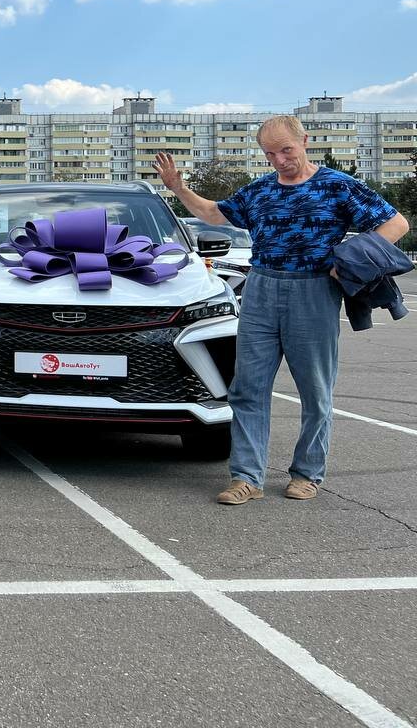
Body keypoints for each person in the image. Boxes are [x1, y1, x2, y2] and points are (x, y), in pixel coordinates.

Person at [155, 115, 408, 505]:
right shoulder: (260, 190)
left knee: (315, 389)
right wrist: (179, 188)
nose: (279, 160)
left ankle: (307, 474)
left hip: (315, 290)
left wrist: (352, 260)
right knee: (247, 388)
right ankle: (246, 477)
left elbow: (396, 224)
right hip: (261, 288)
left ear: (304, 140)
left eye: (286, 150)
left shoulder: (338, 185)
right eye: (270, 154)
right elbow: (214, 214)